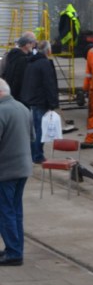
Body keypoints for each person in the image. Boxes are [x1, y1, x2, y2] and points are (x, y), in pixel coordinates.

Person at [0, 78, 33, 266]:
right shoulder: (23, 108)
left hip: (5, 171)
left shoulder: (1, 112)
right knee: (16, 211)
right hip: (23, 169)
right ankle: (15, 248)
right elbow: (32, 137)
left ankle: (13, 252)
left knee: (5, 212)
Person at [20, 40, 59, 164]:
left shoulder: (31, 62)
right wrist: (53, 103)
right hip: (40, 101)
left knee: (33, 130)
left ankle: (32, 154)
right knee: (40, 130)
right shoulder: (44, 64)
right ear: (48, 50)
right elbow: (49, 84)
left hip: (30, 100)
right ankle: (37, 155)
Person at [2, 33, 37, 102]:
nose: (32, 45)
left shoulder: (12, 55)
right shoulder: (23, 60)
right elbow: (19, 78)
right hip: (19, 95)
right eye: (30, 43)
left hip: (11, 92)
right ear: (26, 45)